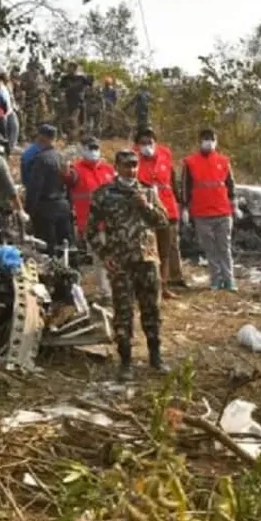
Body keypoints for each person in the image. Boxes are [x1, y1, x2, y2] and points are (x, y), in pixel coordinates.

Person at [86, 149, 170, 380]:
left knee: (151, 309)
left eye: (134, 165)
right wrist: (105, 255)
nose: (131, 170)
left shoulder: (147, 191)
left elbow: (163, 222)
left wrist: (146, 206)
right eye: (126, 165)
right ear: (117, 167)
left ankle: (156, 357)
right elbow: (90, 231)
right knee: (123, 312)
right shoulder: (104, 194)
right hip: (121, 262)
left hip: (147, 260)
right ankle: (125, 363)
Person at [181, 128, 236, 291]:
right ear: (199, 141)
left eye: (211, 139)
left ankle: (229, 279)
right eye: (205, 139)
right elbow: (185, 186)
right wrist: (184, 207)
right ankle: (215, 279)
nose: (208, 142)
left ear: (216, 141)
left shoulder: (224, 161)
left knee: (224, 247)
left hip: (222, 212)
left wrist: (234, 203)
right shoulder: (190, 162)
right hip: (202, 213)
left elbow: (230, 184)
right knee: (210, 249)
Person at [134, 128, 183, 295]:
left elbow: (173, 181)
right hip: (145, 212)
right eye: (143, 143)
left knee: (165, 250)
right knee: (146, 252)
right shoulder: (132, 161)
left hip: (167, 209)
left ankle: (163, 285)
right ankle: (147, 286)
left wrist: (180, 205)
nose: (147, 146)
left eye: (150, 142)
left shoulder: (165, 156)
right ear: (137, 145)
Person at [24, 125, 73, 251]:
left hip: (45, 208)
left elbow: (35, 187)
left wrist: (29, 210)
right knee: (65, 248)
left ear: (41, 138)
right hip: (63, 205)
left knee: (47, 248)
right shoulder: (61, 157)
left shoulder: (41, 159)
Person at [67, 137, 115, 239]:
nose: (93, 151)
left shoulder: (108, 169)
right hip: (86, 225)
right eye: (90, 148)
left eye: (95, 148)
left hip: (110, 225)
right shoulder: (75, 170)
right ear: (83, 150)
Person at [59, 61, 93, 132]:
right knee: (67, 122)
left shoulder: (81, 78)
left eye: (71, 67)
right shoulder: (65, 79)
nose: (69, 69)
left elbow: (90, 84)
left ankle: (79, 135)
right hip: (68, 102)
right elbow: (61, 89)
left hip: (79, 102)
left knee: (74, 120)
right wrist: (62, 96)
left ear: (75, 68)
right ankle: (71, 136)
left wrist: (86, 92)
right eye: (69, 67)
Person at [0, 65, 19, 155]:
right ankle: (2, 151)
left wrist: (14, 105)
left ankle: (10, 148)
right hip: (1, 110)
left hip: (10, 109)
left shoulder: (7, 84)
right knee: (3, 132)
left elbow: (10, 96)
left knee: (14, 127)